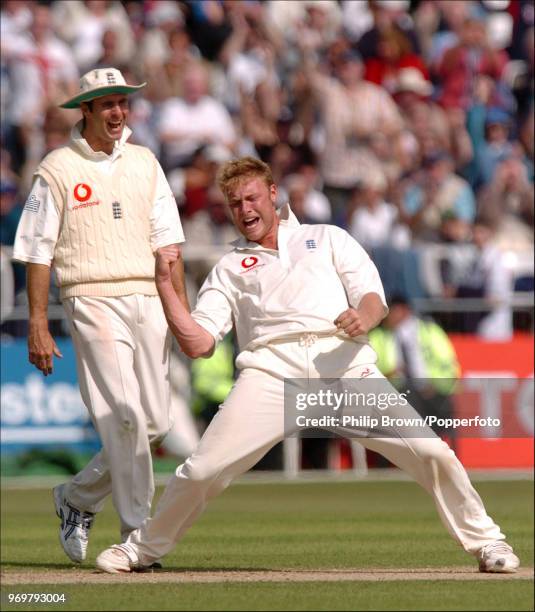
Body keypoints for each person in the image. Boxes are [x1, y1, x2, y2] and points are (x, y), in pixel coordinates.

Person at [95, 157, 519, 575]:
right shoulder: (228, 268)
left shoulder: (327, 236)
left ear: (273, 195)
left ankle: (487, 541)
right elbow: (198, 343)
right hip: (271, 373)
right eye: (235, 203)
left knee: (430, 451)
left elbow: (372, 297)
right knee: (203, 468)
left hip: (343, 365)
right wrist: (166, 284)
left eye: (252, 198)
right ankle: (144, 549)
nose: (245, 210)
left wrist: (364, 318)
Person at [12, 67, 187, 564]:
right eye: (106, 104)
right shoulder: (57, 168)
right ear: (84, 110)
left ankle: (78, 497)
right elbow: (37, 252)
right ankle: (139, 536)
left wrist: (181, 314)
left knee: (154, 421)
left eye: (122, 103)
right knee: (126, 418)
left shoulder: (146, 162)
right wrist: (39, 323)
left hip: (148, 298)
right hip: (90, 297)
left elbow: (168, 243)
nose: (117, 112)